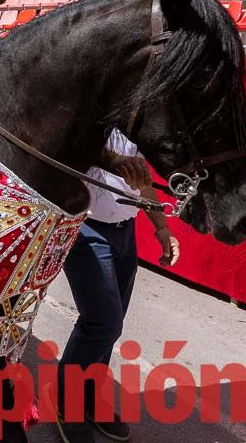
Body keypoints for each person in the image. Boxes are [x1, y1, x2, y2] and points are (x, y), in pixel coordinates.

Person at [54, 128, 180, 443]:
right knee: (102, 323)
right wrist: (113, 161)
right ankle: (67, 405)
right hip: (86, 228)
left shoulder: (137, 122)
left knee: (112, 325)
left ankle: (90, 398)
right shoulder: (94, 110)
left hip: (126, 232)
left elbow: (144, 183)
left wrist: (162, 228)